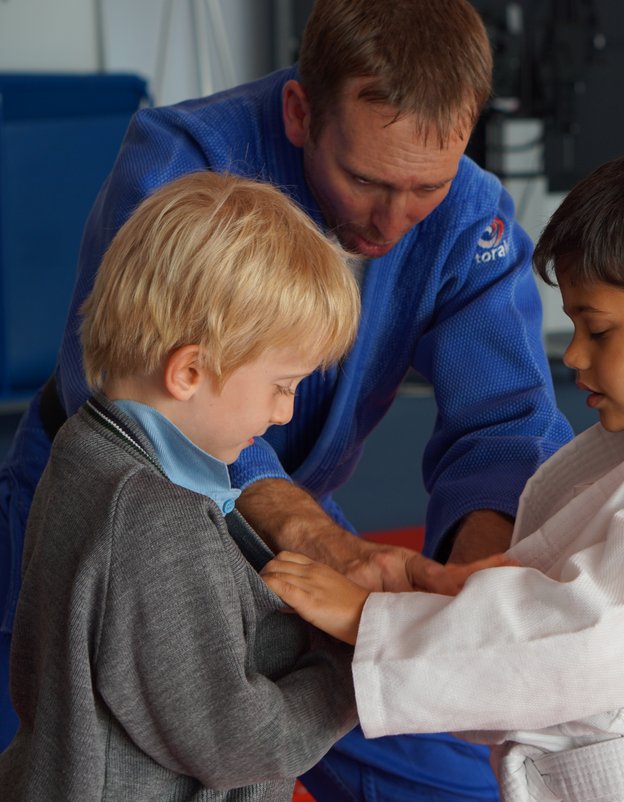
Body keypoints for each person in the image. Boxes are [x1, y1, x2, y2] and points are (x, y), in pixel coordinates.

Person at [0, 1, 573, 798]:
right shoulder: (188, 163)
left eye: (427, 187)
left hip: (295, 520)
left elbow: (506, 423)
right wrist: (342, 617)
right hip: (121, 517)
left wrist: (475, 592)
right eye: (365, 180)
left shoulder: (469, 212)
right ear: (301, 112)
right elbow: (133, 388)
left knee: (467, 783)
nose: (393, 220)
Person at [260, 139, 624, 802]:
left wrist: (371, 622)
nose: (575, 355)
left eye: (599, 329)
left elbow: (588, 643)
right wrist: (462, 591)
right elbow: (568, 598)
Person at [0, 172, 370, 800]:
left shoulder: (86, 446)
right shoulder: (154, 522)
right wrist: (358, 664)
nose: (285, 413)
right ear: (190, 371)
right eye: (282, 386)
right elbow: (237, 741)